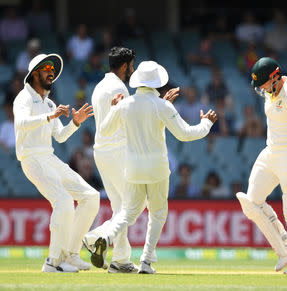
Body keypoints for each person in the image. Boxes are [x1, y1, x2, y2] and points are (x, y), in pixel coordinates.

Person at [83, 60, 217, 274]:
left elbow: (105, 130)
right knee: (157, 213)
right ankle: (145, 262)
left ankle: (104, 237)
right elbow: (185, 134)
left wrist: (114, 108)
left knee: (128, 212)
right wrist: (207, 124)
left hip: (133, 168)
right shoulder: (163, 105)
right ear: (157, 83)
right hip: (157, 169)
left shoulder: (126, 104)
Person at [13, 53, 99, 272]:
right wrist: (49, 117)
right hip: (31, 158)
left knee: (91, 197)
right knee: (63, 201)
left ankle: (70, 255)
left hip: (49, 158)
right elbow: (21, 122)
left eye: (53, 69)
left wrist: (75, 123)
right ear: (34, 74)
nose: (51, 72)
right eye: (46, 68)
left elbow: (60, 136)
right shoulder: (23, 98)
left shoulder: (49, 102)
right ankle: (53, 262)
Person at [236, 57, 287, 274]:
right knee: (251, 202)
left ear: (275, 77)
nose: (261, 89)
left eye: (263, 83)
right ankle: (284, 250)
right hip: (270, 152)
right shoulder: (269, 91)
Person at [81, 46, 137, 273]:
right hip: (117, 152)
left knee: (120, 208)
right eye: (132, 66)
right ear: (124, 66)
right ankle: (96, 237)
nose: (132, 69)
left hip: (102, 152)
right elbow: (126, 120)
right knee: (131, 207)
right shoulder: (119, 87)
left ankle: (121, 260)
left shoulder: (99, 86)